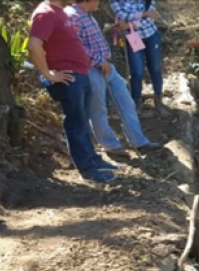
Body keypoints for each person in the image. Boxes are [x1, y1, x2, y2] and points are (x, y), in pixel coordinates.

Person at [28, 0, 116, 184]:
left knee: (82, 121)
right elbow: (34, 45)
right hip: (68, 77)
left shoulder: (59, 11)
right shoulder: (45, 13)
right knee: (76, 123)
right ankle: (87, 170)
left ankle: (93, 160)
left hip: (80, 74)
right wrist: (48, 74)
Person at [65, 0, 161, 157]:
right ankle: (110, 145)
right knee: (98, 108)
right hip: (91, 69)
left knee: (126, 102)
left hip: (107, 67)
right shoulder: (73, 16)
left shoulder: (87, 14)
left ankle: (139, 141)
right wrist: (98, 61)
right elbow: (74, 47)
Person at [110, 0, 165, 111]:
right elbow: (123, 15)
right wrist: (144, 14)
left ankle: (158, 99)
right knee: (137, 71)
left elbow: (151, 17)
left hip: (151, 35)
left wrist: (130, 24)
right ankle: (137, 101)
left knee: (155, 68)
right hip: (133, 38)